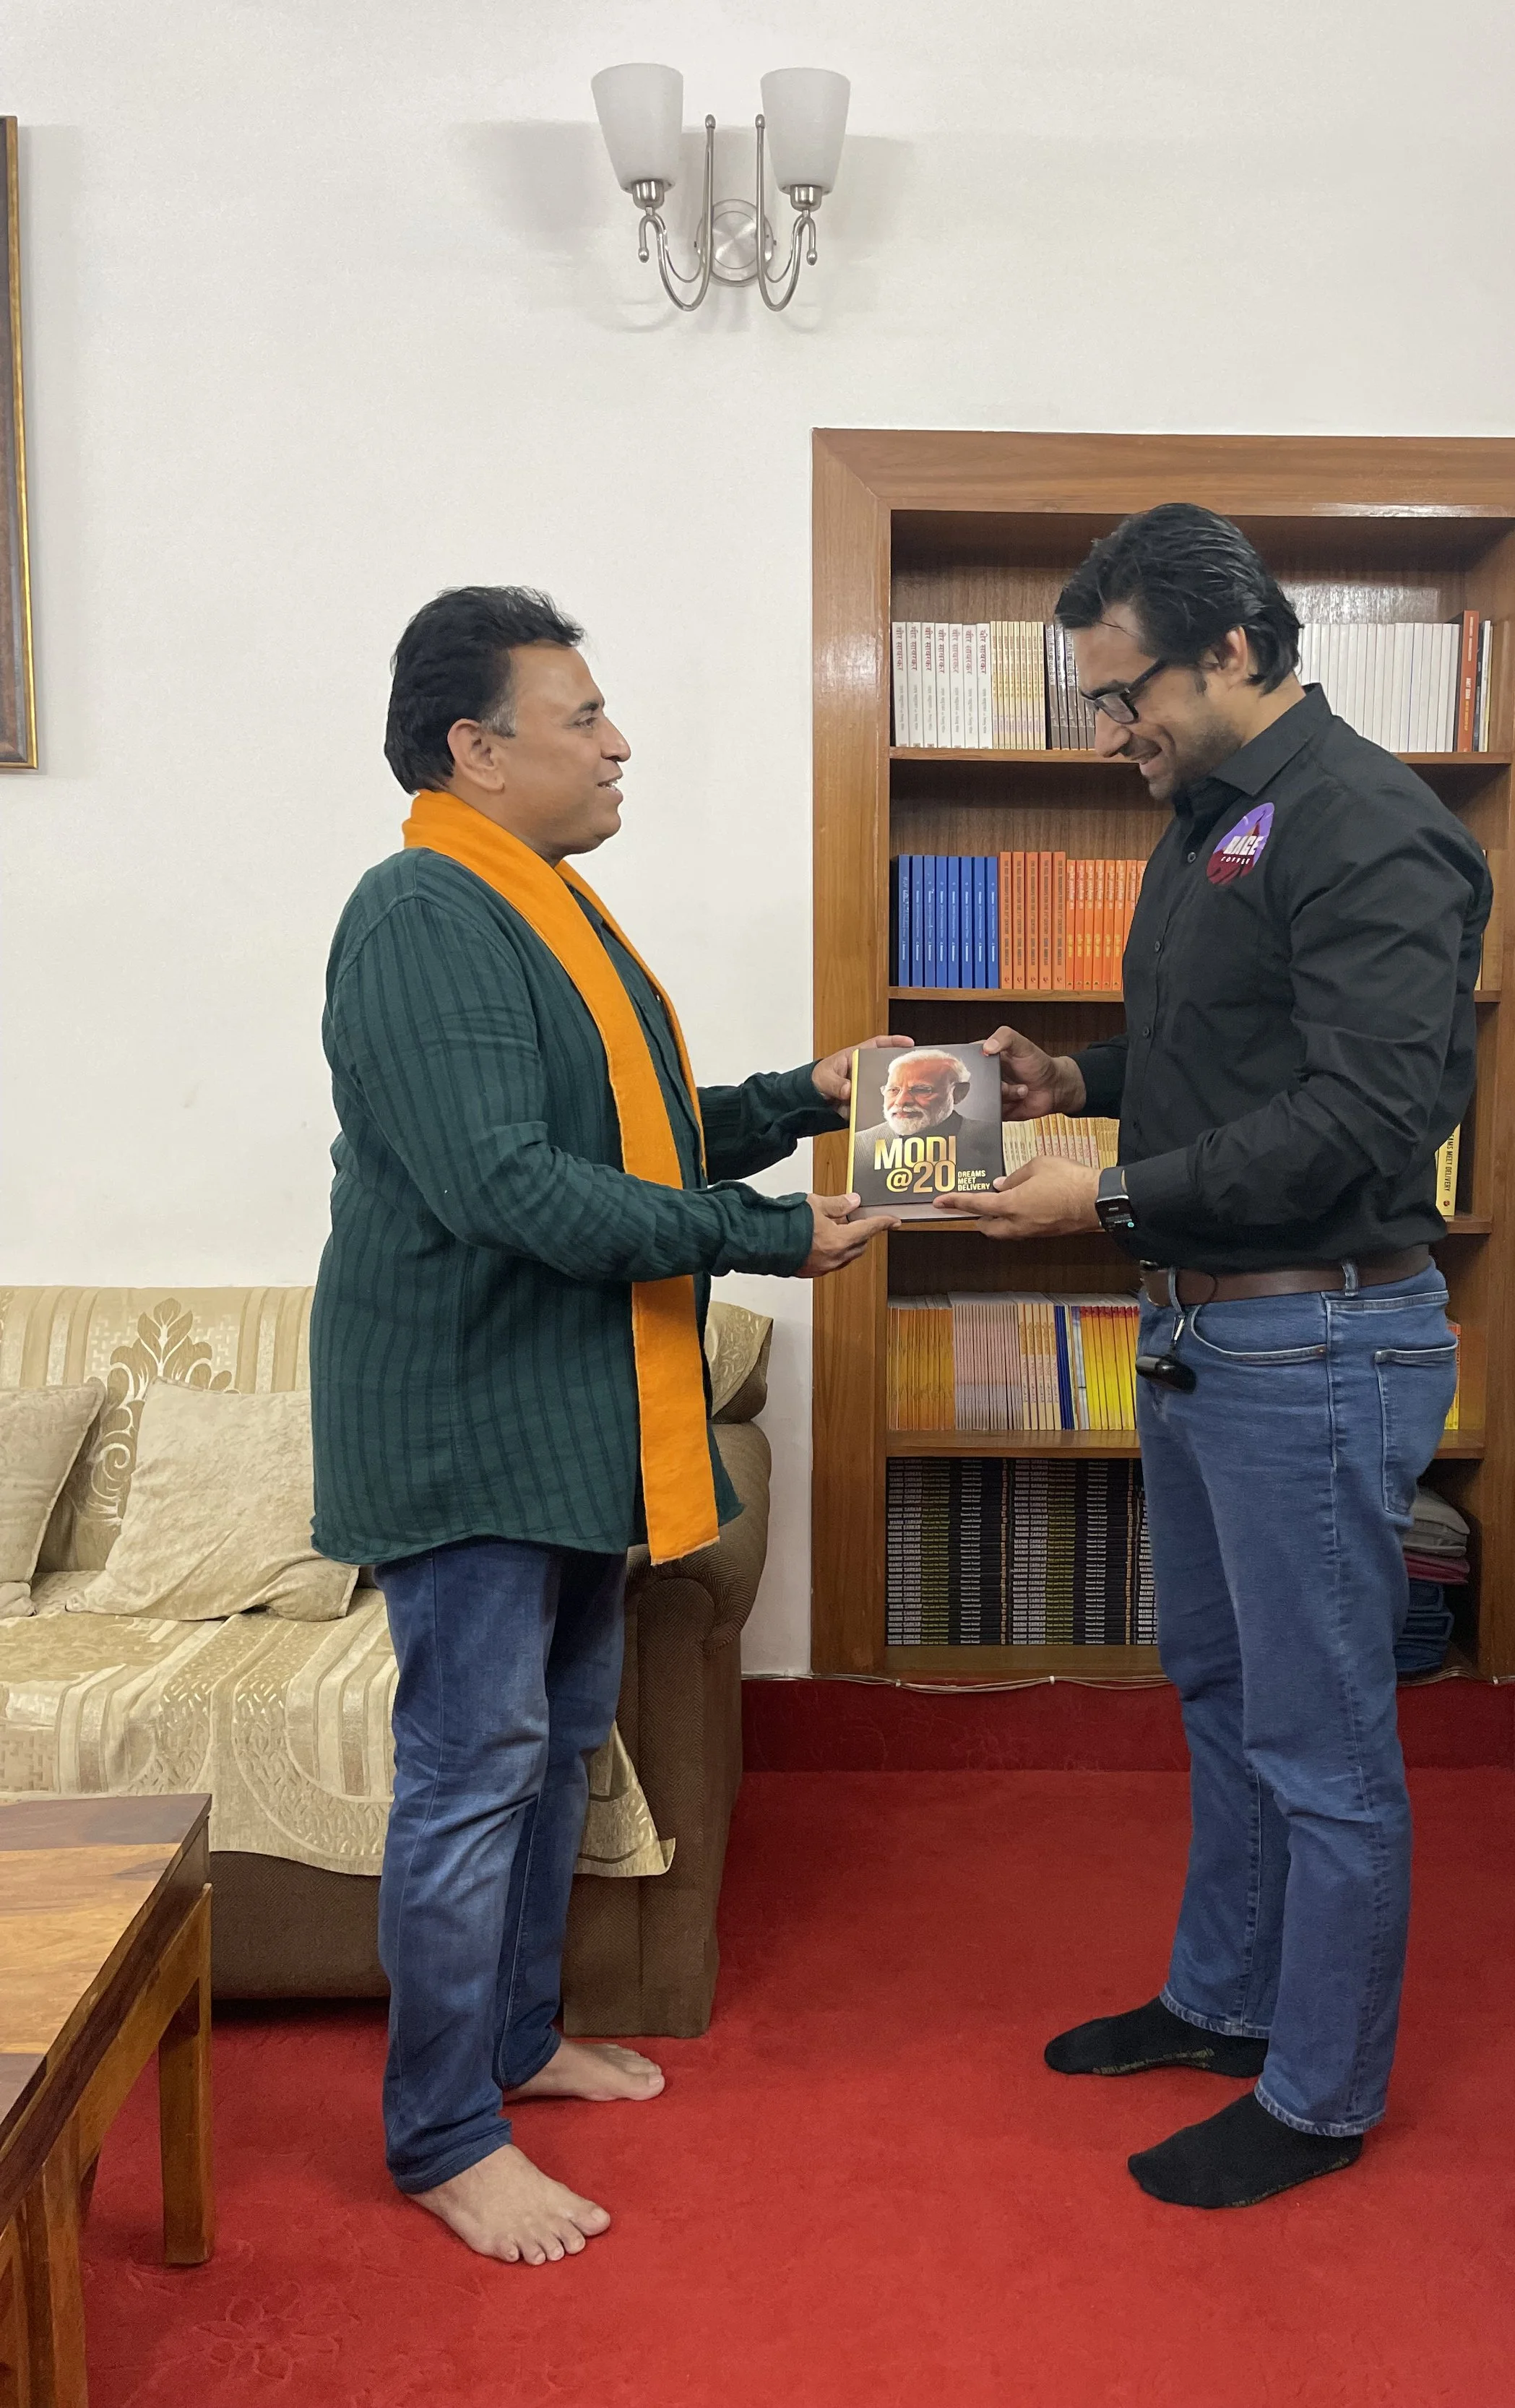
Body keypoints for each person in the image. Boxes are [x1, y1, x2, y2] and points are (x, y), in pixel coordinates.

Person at [310, 585, 899, 2266]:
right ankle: (440, 2134)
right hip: (474, 1428)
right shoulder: (425, 915)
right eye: (582, 717)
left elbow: (640, 1138)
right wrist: (778, 1233)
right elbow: (510, 1189)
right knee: (475, 1775)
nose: (619, 738)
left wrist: (809, 1102)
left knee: (556, 1754)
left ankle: (512, 2043)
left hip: (567, 1422)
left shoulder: (542, 906)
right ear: (477, 751)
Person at [946, 504, 1490, 2209]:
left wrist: (1099, 1190)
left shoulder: (1374, 830)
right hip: (1203, 1329)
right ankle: (1227, 1999)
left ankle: (1321, 2094)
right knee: (1221, 1693)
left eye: (1130, 697)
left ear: (1236, 649)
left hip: (1314, 1335)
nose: (1118, 734)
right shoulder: (1208, 821)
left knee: (1323, 1743)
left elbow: (1366, 1116)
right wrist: (1076, 1083)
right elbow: (1232, 1049)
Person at [847, 1045, 1001, 1199]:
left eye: (921, 1089)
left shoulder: (994, 1138)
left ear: (959, 1093)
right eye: (893, 1090)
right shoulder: (861, 1145)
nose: (901, 1102)